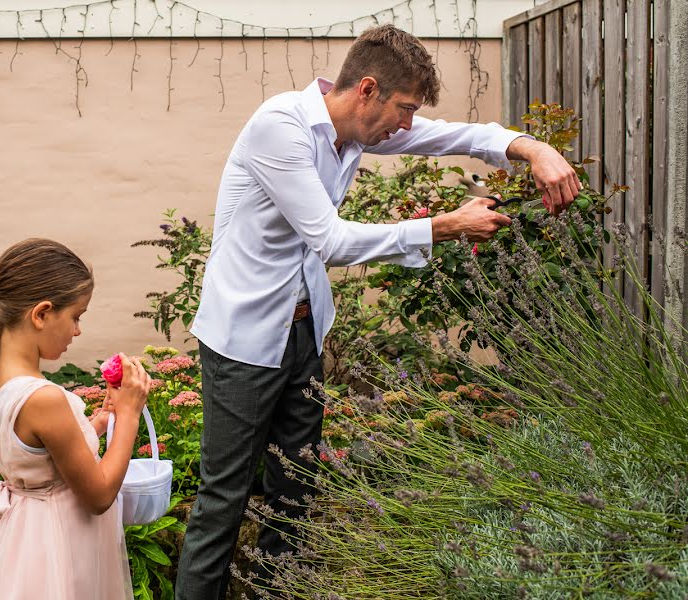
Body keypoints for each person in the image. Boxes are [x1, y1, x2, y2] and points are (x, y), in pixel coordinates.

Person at [176, 23, 580, 599]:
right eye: (405, 108)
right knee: (224, 501)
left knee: (297, 490)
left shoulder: (356, 132)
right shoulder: (281, 129)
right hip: (242, 340)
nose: (408, 125)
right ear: (367, 89)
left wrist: (532, 147)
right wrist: (445, 225)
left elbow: (450, 135)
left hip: (303, 333)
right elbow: (332, 242)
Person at [0, 238, 152, 600]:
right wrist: (129, 415)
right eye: (76, 316)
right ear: (42, 313)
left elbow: (40, 458)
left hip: (25, 541)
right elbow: (99, 494)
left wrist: (100, 421)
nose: (78, 330)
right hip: (58, 546)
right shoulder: (43, 398)